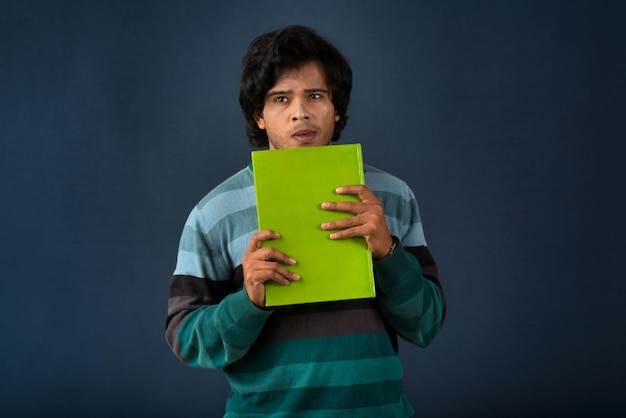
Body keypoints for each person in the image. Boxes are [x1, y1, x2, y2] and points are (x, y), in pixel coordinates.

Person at [166, 25, 446, 417]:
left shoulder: (391, 197)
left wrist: (389, 254)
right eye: (281, 98)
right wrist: (248, 302)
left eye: (315, 95)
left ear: (337, 109)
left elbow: (427, 324)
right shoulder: (214, 213)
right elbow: (187, 340)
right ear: (258, 115)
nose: (300, 111)